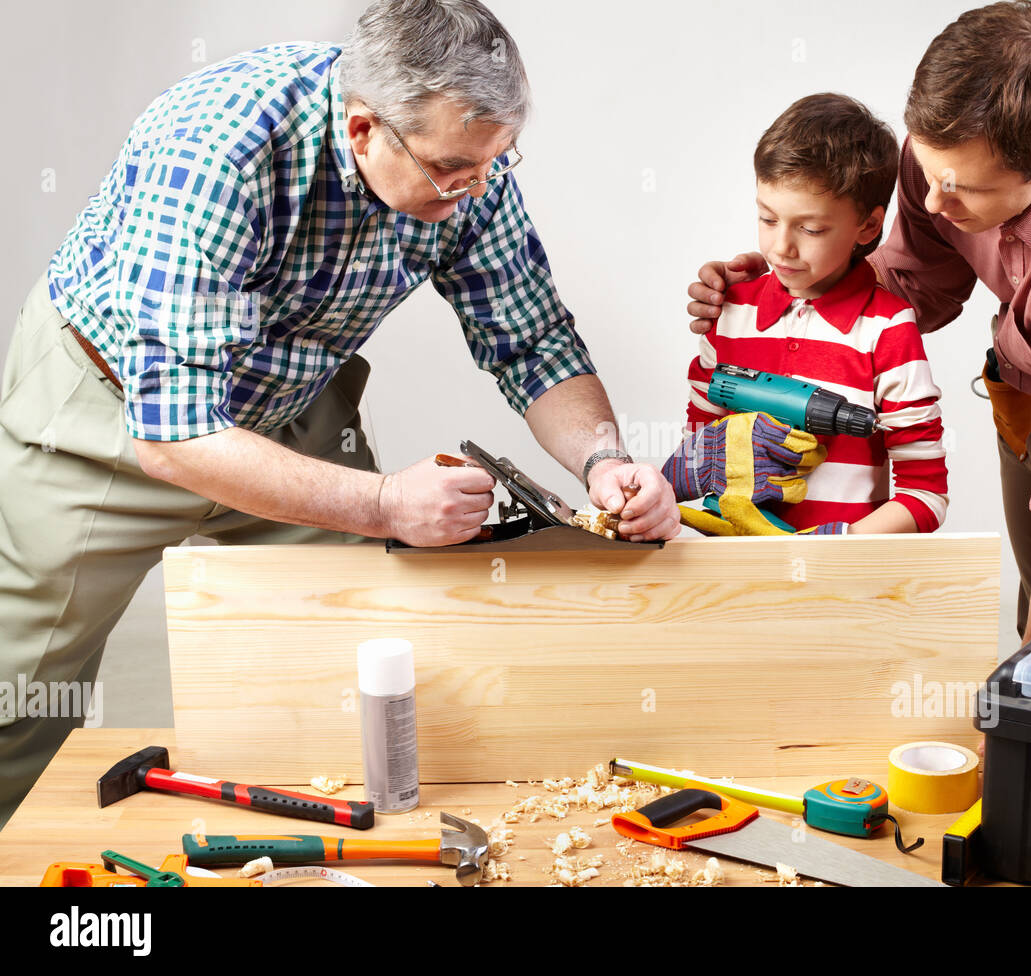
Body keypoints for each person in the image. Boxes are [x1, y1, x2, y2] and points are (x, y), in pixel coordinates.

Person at [0, 0, 678, 827]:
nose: (475, 188)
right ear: (364, 130)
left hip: (288, 394)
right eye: (452, 169)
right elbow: (174, 435)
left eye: (496, 160)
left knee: (378, 654)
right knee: (22, 689)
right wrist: (385, 502)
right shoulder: (218, 149)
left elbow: (532, 337)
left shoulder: (463, 162)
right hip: (112, 408)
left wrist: (604, 463)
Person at [686, 1, 1031, 640]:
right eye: (926, 174)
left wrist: (1022, 705)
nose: (929, 203)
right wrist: (794, 288)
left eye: (961, 192)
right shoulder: (948, 156)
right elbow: (914, 285)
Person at [663, 94, 947, 536]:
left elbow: (925, 495)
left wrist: (839, 546)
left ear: (868, 227)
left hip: (840, 585)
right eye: (767, 218)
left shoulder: (888, 330)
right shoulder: (729, 311)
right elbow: (697, 454)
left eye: (811, 229)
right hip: (734, 580)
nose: (781, 247)